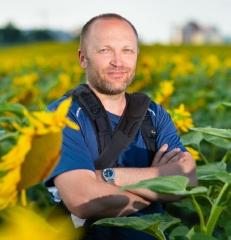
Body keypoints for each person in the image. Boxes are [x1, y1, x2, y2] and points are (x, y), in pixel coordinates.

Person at [44, 13, 197, 240]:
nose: (118, 61)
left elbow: (187, 179)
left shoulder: (154, 114)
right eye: (105, 50)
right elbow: (83, 200)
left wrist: (104, 177)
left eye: (127, 50)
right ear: (83, 58)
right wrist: (158, 188)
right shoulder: (62, 116)